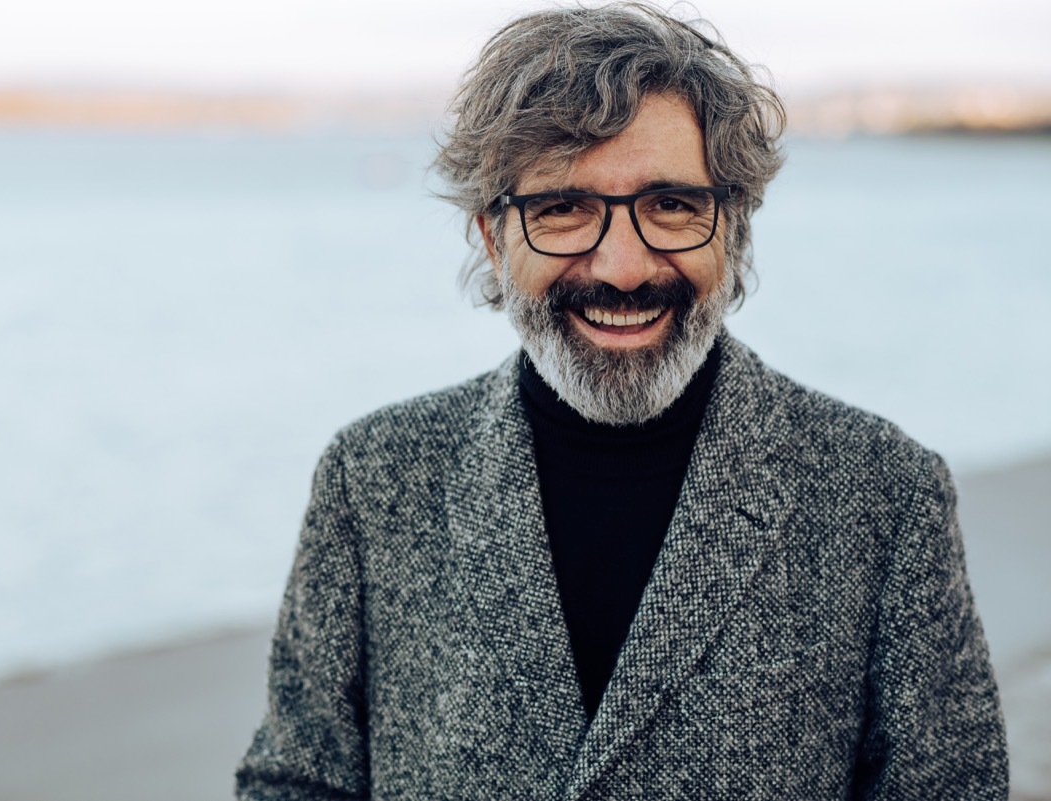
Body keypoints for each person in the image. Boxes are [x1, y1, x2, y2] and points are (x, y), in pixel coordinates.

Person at [235, 4, 1008, 799]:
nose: (624, 265)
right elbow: (297, 781)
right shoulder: (372, 480)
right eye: (563, 208)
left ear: (733, 229)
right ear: (493, 240)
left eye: (671, 204)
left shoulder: (883, 493)